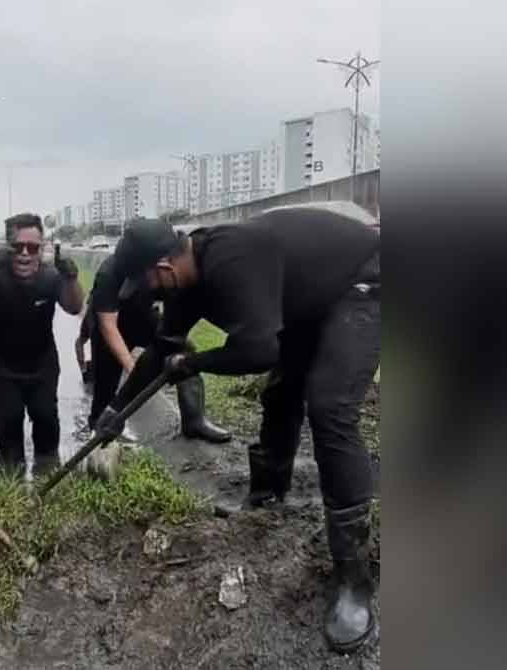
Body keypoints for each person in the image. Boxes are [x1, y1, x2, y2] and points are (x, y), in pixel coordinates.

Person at [94, 211, 380, 652]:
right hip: (309, 299)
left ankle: (354, 580)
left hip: (363, 283)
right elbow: (161, 351)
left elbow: (258, 350)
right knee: (282, 393)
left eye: (146, 284)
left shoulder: (232, 259)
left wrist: (196, 362)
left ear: (164, 269)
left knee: (330, 407)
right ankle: (268, 497)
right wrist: (116, 409)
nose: (147, 294)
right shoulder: (185, 285)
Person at [0, 213, 85, 477]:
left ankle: (47, 476)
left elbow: (74, 307)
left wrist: (72, 277)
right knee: (8, 427)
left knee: (46, 420)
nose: (25, 254)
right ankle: (12, 479)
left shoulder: (52, 276)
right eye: (18, 247)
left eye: (33, 248)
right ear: (7, 247)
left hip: (42, 365)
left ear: (42, 249)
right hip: (1, 367)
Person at [87, 253, 231, 444]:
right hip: (112, 325)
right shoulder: (108, 273)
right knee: (106, 385)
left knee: (183, 349)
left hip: (144, 318)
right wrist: (134, 370)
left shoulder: (167, 269)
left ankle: (194, 421)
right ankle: (99, 434)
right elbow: (108, 326)